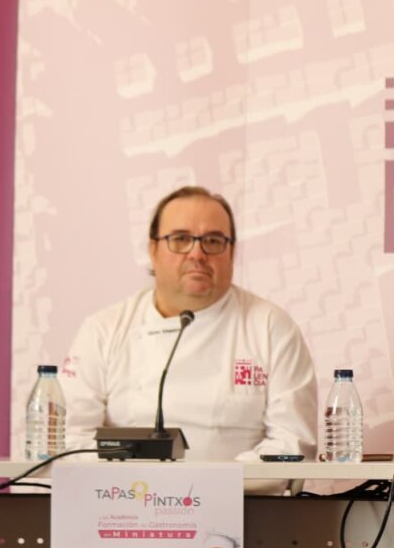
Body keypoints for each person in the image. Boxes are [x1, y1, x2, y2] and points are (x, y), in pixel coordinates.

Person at [61, 186, 317, 463]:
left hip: (240, 502)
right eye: (181, 239)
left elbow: (292, 443)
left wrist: (211, 485)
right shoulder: (104, 330)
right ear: (153, 249)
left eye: (213, 240)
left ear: (232, 252)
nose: (197, 253)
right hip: (122, 500)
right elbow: (70, 438)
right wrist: (140, 485)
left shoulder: (270, 328)